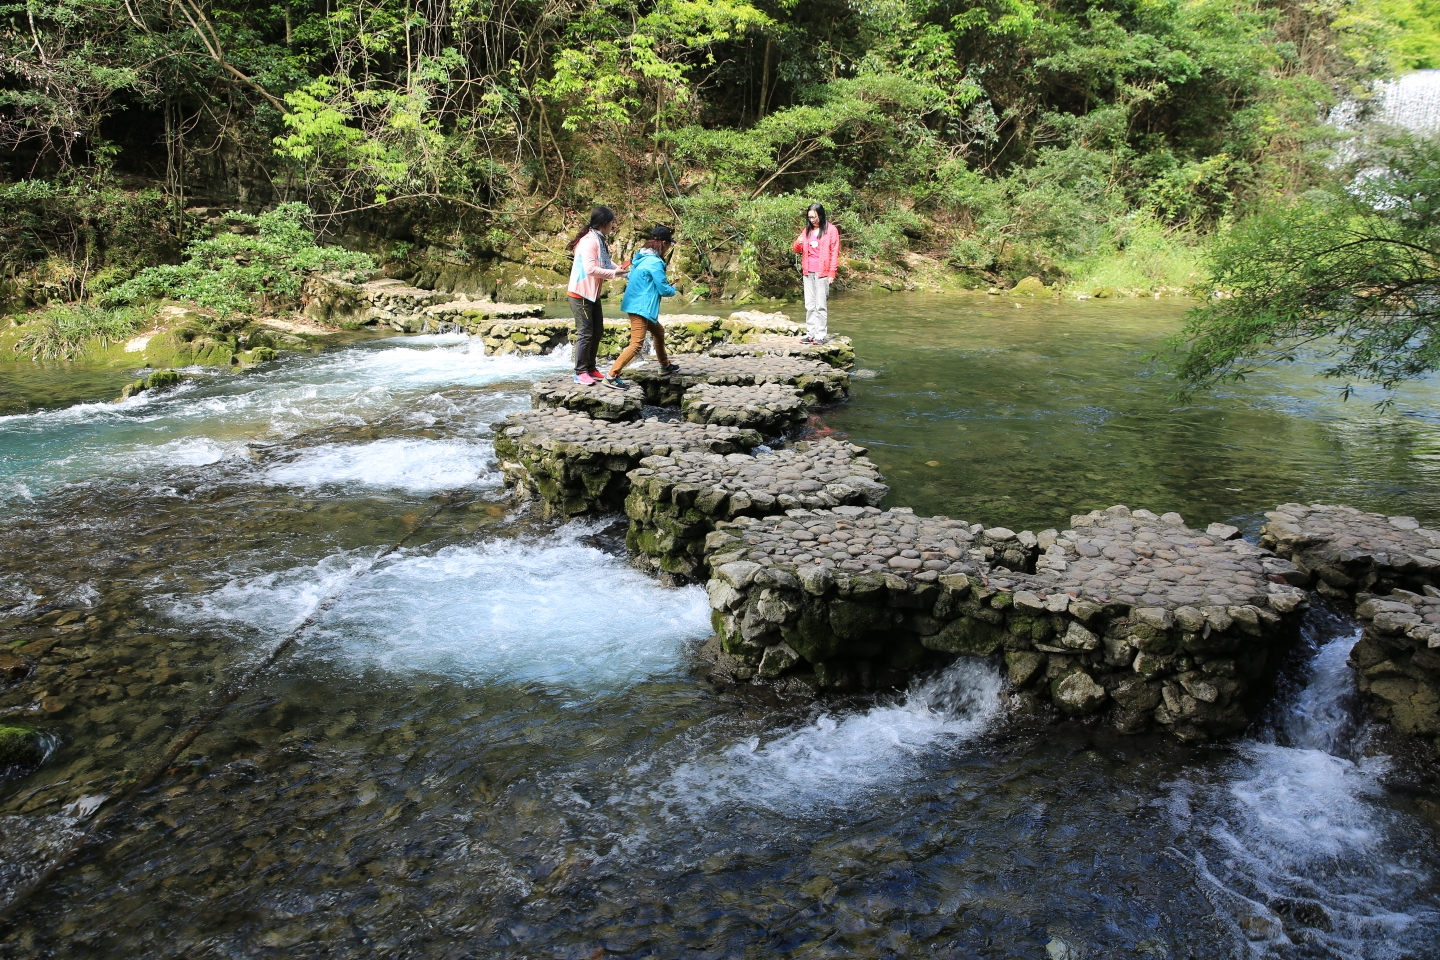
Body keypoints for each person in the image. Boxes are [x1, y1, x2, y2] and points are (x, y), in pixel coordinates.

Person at [606, 226, 681, 387]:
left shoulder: (641, 258)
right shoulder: (655, 262)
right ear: (663, 243)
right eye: (669, 244)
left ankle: (664, 365)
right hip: (641, 308)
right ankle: (611, 376)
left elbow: (634, 276)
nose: (669, 248)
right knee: (636, 345)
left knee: (658, 332)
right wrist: (673, 289)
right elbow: (663, 289)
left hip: (636, 304)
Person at [567, 206, 628, 384]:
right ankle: (580, 372)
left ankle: (591, 368)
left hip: (593, 294)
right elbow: (590, 269)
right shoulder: (589, 241)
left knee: (597, 331)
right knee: (585, 332)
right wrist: (614, 274)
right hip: (580, 293)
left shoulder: (598, 239)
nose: (612, 226)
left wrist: (621, 271)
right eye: (611, 223)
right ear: (603, 224)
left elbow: (605, 262)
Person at [791, 203, 839, 344]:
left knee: (821, 305)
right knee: (810, 304)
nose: (812, 220)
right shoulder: (807, 230)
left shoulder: (831, 230)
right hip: (807, 271)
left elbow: (834, 252)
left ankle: (820, 335)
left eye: (814, 217)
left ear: (821, 215)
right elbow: (796, 249)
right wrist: (798, 242)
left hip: (823, 272)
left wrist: (832, 273)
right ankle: (810, 333)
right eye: (809, 217)